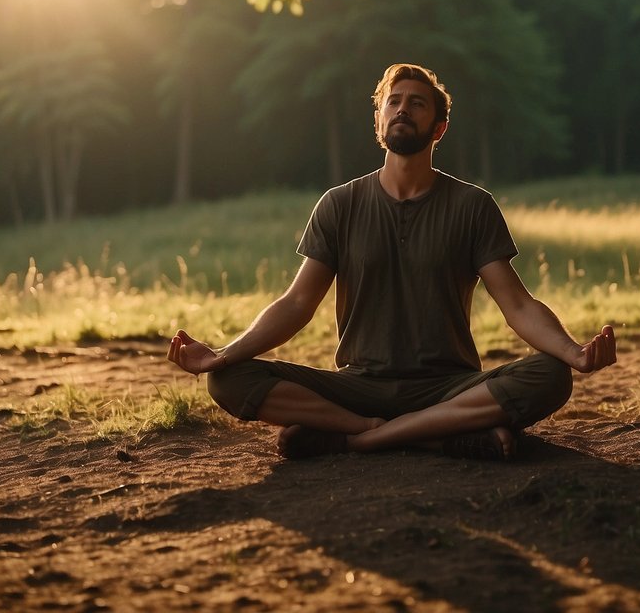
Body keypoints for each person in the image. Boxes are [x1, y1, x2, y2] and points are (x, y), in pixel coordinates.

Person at [167, 63, 616, 461]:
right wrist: (223, 356)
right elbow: (296, 304)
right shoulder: (339, 204)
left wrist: (573, 352)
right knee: (227, 382)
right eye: (393, 102)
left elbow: (517, 305)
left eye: (417, 104)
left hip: (448, 387)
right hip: (359, 387)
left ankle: (356, 441)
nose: (403, 109)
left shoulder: (472, 205)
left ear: (439, 127)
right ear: (378, 121)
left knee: (551, 376)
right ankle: (422, 436)